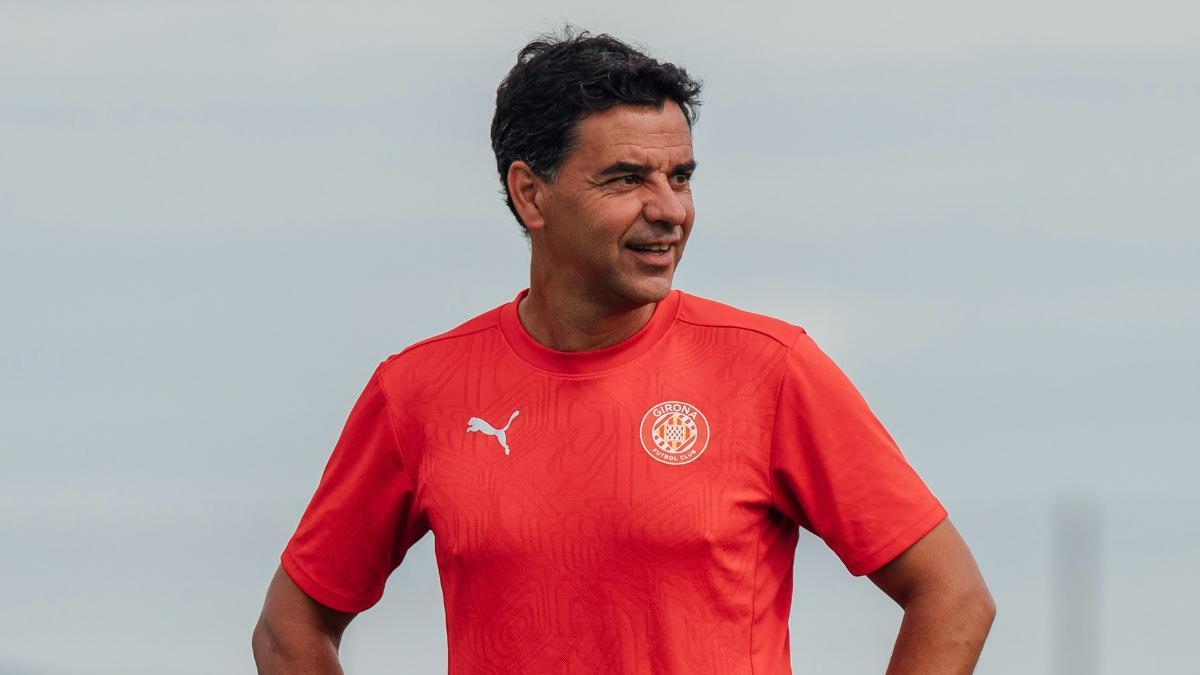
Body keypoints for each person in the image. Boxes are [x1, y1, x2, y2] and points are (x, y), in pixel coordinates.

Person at [252, 30, 995, 675]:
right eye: (626, 179)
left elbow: (953, 593)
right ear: (530, 195)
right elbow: (291, 629)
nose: (669, 209)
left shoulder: (770, 368)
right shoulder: (419, 390)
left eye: (680, 177)